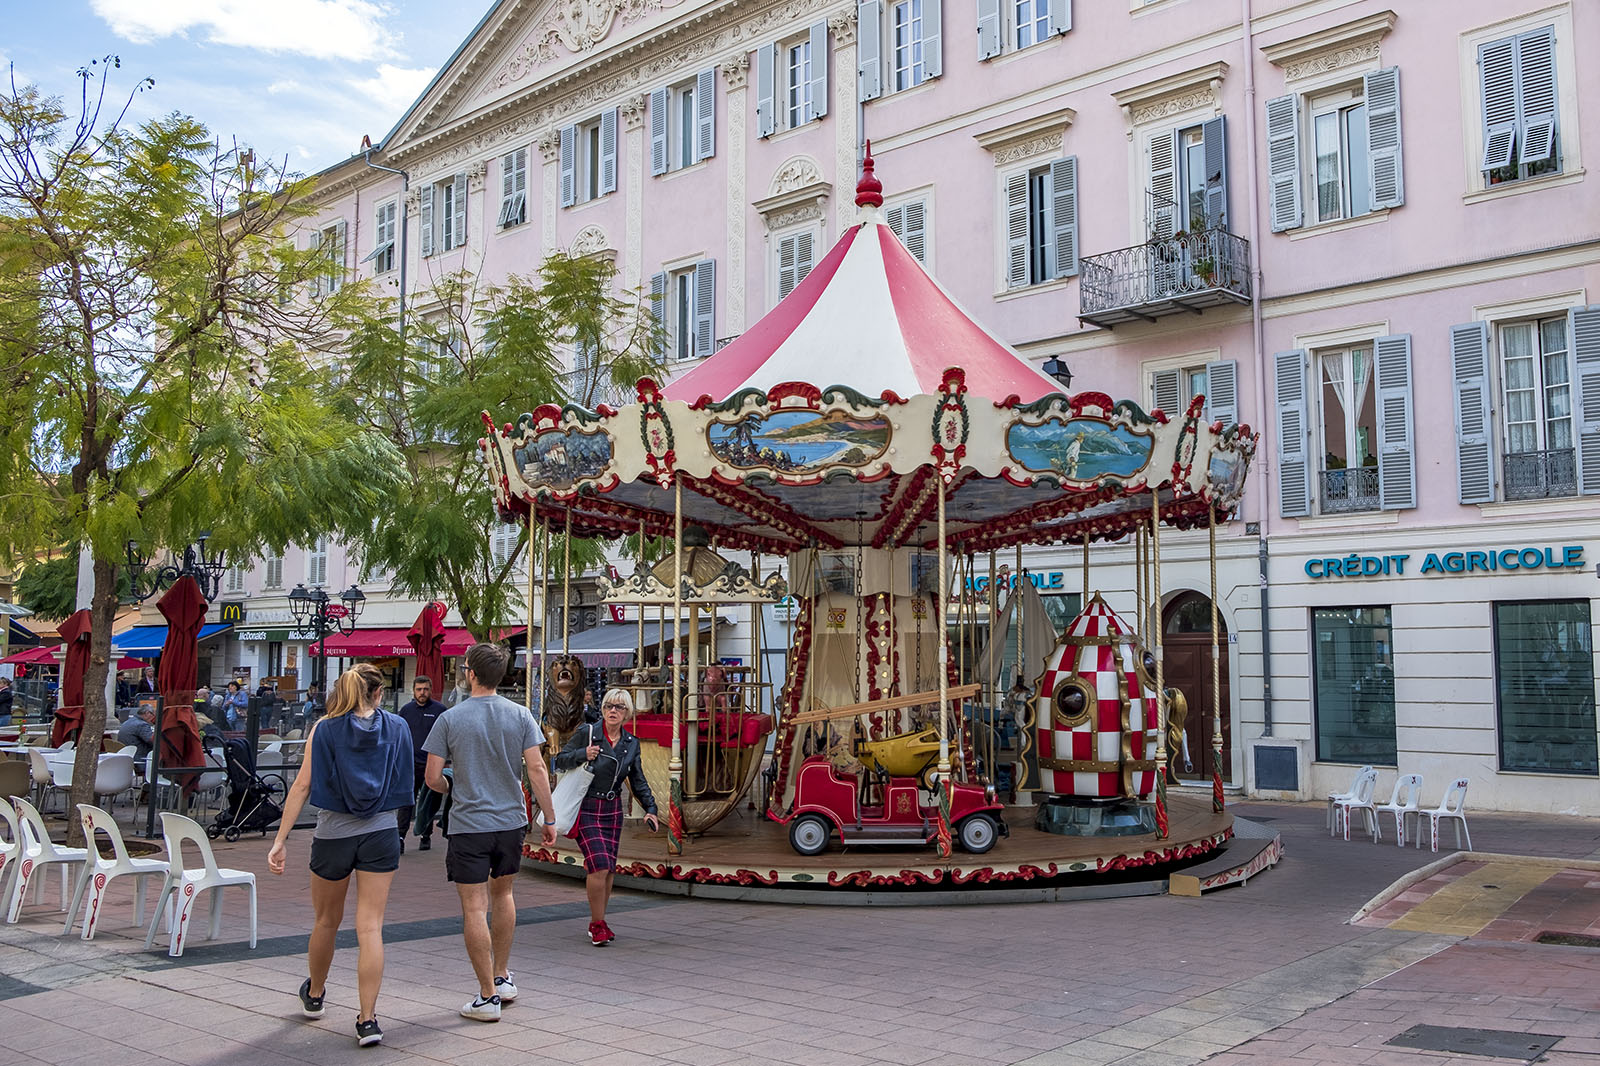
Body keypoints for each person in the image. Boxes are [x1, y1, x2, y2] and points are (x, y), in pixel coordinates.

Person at [268, 664, 412, 1049]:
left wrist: (280, 840)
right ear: (379, 693)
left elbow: (301, 785)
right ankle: (368, 1020)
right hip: (381, 833)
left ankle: (315, 994)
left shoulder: (324, 729)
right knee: (371, 928)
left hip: (333, 834)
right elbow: (403, 778)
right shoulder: (398, 727)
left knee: (326, 921)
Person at [422, 643, 557, 1023]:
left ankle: (487, 996)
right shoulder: (520, 715)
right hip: (511, 821)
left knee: (474, 907)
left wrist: (453, 786)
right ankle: (503, 976)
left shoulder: (450, 718)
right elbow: (536, 770)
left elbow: (433, 777)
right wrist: (549, 817)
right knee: (505, 894)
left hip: (469, 824)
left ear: (471, 674)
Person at [553, 688, 659, 946]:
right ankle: (597, 924)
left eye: (619, 707)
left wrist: (651, 809)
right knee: (599, 864)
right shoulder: (587, 734)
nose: (613, 711)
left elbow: (637, 779)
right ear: (602, 709)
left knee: (609, 869)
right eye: (609, 706)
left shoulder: (631, 743)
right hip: (588, 806)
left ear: (627, 713)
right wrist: (582, 754)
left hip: (611, 809)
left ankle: (598, 921)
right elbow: (559, 761)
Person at [395, 675, 446, 852]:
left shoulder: (440, 710)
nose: (422, 693)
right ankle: (400, 837)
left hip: (433, 763)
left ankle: (426, 835)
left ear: (430, 690)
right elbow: (398, 735)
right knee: (406, 801)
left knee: (428, 801)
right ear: (413, 690)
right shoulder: (406, 710)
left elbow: (446, 737)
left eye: (425, 689)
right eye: (419, 689)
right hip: (410, 764)